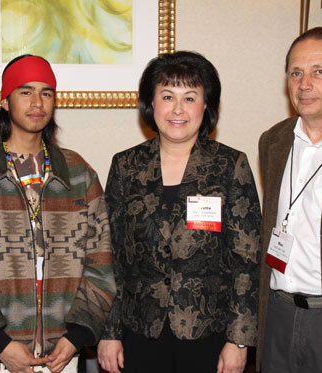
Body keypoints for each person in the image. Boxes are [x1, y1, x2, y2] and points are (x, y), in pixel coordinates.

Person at [0, 54, 116, 373]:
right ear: (5, 101)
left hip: (62, 354)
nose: (37, 102)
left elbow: (101, 262)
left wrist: (78, 334)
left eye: (46, 92)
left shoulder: (79, 176)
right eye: (25, 91)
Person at [98, 51, 261, 373]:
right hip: (140, 331)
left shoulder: (230, 166)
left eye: (190, 98)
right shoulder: (126, 166)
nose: (177, 109)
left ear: (206, 106)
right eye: (167, 96)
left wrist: (239, 341)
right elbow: (110, 254)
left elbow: (246, 260)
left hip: (210, 332)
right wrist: (109, 332)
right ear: (151, 103)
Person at [257, 27, 322, 373]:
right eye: (295, 73)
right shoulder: (273, 142)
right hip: (277, 315)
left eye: (318, 71)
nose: (304, 84)